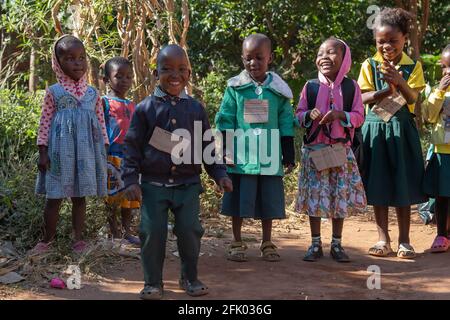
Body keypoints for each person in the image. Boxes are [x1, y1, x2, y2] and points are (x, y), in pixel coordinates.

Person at [121, 44, 232, 300]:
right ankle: (153, 283)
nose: (175, 75)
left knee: (190, 231)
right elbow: (133, 146)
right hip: (153, 185)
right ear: (155, 74)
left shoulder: (195, 109)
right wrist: (130, 178)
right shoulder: (145, 109)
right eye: (167, 69)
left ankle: (189, 277)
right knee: (152, 233)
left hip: (187, 185)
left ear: (189, 74)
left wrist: (219, 174)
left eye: (181, 69)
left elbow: (207, 146)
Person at [215, 33, 295, 262]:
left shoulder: (279, 91)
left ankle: (267, 241)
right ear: (242, 58)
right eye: (248, 58)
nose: (254, 63)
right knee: (237, 198)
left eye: (259, 57)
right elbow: (226, 118)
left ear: (269, 58)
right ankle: (237, 241)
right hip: (241, 157)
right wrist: (226, 151)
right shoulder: (235, 88)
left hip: (268, 157)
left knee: (268, 200)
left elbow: (285, 120)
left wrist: (288, 153)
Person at [358, 7, 427, 259]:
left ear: (405, 39)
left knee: (402, 183)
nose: (387, 46)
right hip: (375, 129)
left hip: (402, 129)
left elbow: (412, 98)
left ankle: (405, 241)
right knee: (378, 183)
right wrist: (385, 91)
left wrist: (398, 79)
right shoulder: (369, 64)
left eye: (393, 41)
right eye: (381, 41)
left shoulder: (413, 66)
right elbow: (362, 98)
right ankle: (382, 239)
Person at [33, 35, 108, 254]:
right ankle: (47, 240)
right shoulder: (54, 92)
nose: (78, 63)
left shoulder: (94, 93)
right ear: (58, 63)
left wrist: (103, 149)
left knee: (79, 197)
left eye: (81, 58)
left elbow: (101, 122)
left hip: (85, 154)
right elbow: (45, 123)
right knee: (54, 197)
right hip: (59, 155)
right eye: (70, 58)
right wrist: (42, 152)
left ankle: (78, 240)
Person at [295, 37, 366, 262]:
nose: (324, 57)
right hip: (315, 152)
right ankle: (315, 244)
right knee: (315, 199)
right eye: (320, 53)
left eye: (332, 52)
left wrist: (340, 115)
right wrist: (308, 115)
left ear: (344, 59)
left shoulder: (351, 86)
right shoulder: (311, 86)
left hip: (340, 151)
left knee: (339, 197)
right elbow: (297, 115)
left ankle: (337, 244)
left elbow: (359, 117)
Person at [101, 57, 140, 245]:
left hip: (129, 158)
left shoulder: (133, 105)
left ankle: (126, 231)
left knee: (129, 198)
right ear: (106, 80)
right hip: (112, 156)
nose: (125, 80)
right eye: (119, 76)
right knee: (112, 197)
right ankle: (114, 232)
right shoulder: (104, 102)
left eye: (128, 76)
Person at [422, 44, 450, 252]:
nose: (447, 72)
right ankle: (441, 234)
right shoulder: (437, 91)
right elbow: (428, 115)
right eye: (443, 67)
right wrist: (439, 92)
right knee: (442, 195)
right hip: (442, 152)